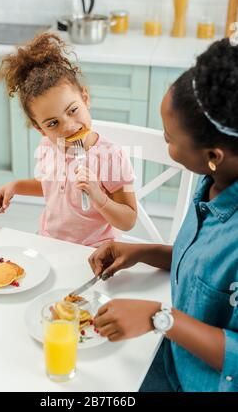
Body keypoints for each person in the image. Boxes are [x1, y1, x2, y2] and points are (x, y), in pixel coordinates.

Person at [89, 38, 238, 391]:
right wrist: (142, 252)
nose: (163, 141)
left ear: (213, 154)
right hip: (167, 351)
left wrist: (160, 317)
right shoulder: (213, 183)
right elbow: (206, 276)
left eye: (170, 138)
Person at [0, 33, 137, 247]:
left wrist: (99, 196)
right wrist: (16, 186)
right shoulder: (47, 147)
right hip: (51, 242)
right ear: (40, 129)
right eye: (52, 123)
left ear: (85, 99)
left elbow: (128, 220)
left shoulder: (110, 157)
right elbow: (51, 186)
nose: (68, 126)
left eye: (72, 110)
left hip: (96, 250)